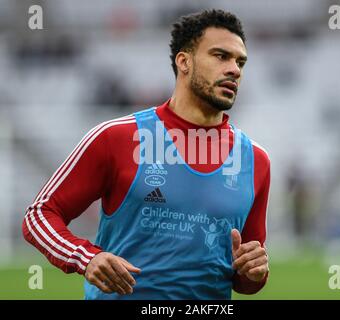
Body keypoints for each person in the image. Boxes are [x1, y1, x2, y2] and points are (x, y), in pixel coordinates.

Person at [22, 9, 271, 300]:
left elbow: (245, 276)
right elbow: (39, 215)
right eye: (221, 56)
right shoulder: (116, 138)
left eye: (240, 61)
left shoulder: (255, 161)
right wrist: (85, 257)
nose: (235, 70)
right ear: (184, 61)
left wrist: (255, 273)